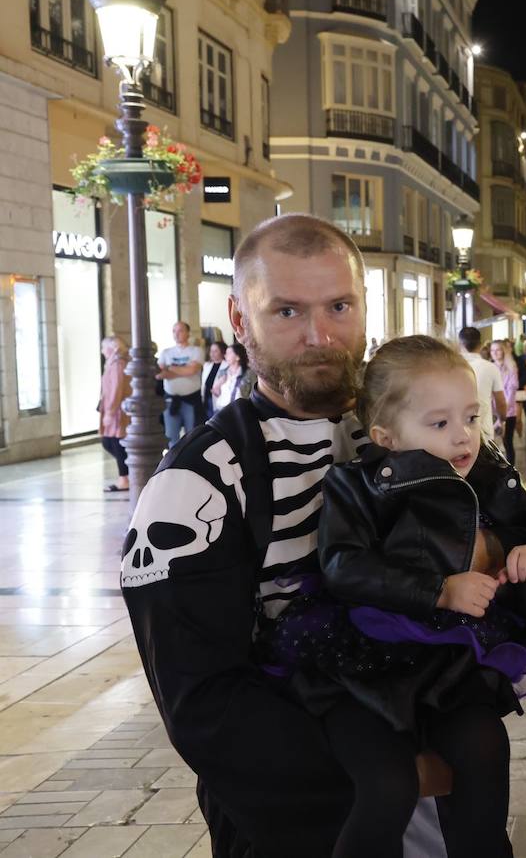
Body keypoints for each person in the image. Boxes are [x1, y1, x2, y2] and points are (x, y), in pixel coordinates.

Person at [122, 213, 408, 854]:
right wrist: (377, 783)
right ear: (240, 317)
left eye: (339, 306)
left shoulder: (420, 430)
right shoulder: (201, 480)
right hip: (296, 815)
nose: (320, 335)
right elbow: (200, 696)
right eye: (287, 312)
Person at [263, 335, 526, 858]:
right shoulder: (356, 484)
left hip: (449, 667)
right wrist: (438, 589)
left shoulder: (487, 471)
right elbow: (343, 565)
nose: (464, 437)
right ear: (386, 435)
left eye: (471, 417)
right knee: (386, 787)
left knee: (484, 751)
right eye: (440, 423)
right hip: (365, 663)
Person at [157, 320, 205, 443]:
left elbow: (192, 370)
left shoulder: (196, 351)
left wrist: (170, 368)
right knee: (171, 437)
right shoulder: (166, 352)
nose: (176, 334)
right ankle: (173, 462)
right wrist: (184, 369)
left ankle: (191, 462)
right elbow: (159, 374)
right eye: (174, 331)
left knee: (193, 437)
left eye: (180, 330)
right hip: (170, 400)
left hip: (191, 399)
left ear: (188, 333)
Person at [457, 327, 506, 445]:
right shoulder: (490, 368)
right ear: (480, 345)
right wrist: (501, 420)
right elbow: (500, 401)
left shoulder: (451, 367)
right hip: (484, 430)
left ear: (459, 344)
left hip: (457, 431)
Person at [99, 335, 132, 492]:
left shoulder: (118, 364)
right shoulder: (114, 363)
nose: (102, 351)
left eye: (104, 348)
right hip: (114, 408)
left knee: (114, 442)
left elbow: (116, 389)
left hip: (117, 410)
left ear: (112, 348)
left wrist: (110, 412)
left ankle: (124, 478)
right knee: (111, 442)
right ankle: (127, 474)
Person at [490, 339, 521, 464]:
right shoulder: (490, 368)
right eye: (492, 350)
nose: (495, 353)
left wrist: (501, 418)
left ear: (503, 351)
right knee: (491, 444)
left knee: (507, 442)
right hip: (492, 410)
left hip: (508, 411)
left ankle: (510, 472)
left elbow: (511, 393)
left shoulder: (511, 368)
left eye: (497, 350)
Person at [209, 342, 249, 416]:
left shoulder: (248, 374)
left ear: (237, 357)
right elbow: (217, 393)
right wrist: (217, 388)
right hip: (221, 410)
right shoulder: (223, 372)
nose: (225, 355)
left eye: (229, 353)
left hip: (240, 412)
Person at [201, 340, 227, 417]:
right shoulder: (207, 365)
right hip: (206, 397)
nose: (212, 353)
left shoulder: (227, 366)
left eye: (215, 351)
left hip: (218, 399)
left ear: (222, 352)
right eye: (211, 351)